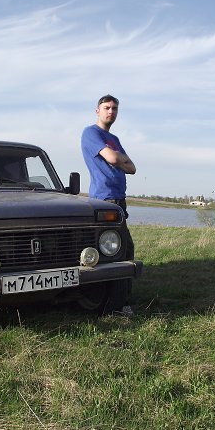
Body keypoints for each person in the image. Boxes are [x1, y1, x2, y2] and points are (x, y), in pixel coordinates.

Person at [81, 94, 136, 316]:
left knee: (122, 250)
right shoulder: (91, 133)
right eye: (106, 107)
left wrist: (116, 155)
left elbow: (132, 168)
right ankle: (116, 304)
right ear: (97, 110)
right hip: (105, 199)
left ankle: (115, 301)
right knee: (118, 251)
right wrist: (118, 157)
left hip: (119, 200)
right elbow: (115, 160)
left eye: (114, 108)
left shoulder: (114, 139)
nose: (111, 112)